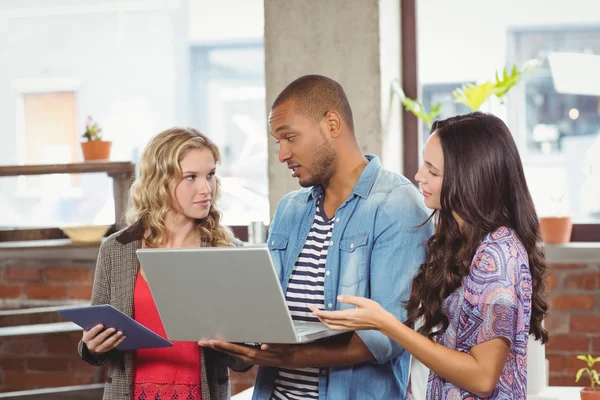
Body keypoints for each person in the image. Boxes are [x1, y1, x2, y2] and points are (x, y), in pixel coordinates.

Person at [198, 75, 433, 400]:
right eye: (278, 142)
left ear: (332, 124)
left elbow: (388, 338)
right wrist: (232, 336)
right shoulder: (290, 210)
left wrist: (293, 357)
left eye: (290, 137)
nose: (282, 154)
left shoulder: (397, 206)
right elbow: (268, 313)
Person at [312, 112, 549, 400]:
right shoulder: (458, 241)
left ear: (470, 178)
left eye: (433, 171)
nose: (418, 176)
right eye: (424, 163)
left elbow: (483, 378)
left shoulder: (498, 253)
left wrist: (385, 324)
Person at [78, 127, 251, 400]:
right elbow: (95, 343)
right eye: (191, 177)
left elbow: (243, 360)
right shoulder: (116, 249)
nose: (206, 188)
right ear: (160, 181)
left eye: (211, 175)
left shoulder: (227, 251)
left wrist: (232, 338)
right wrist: (93, 347)